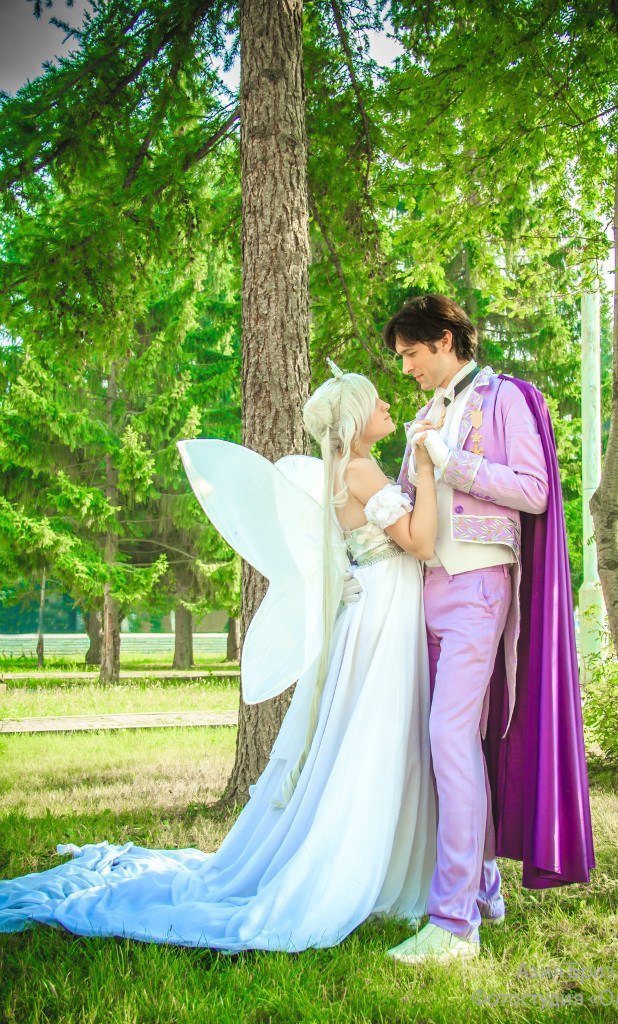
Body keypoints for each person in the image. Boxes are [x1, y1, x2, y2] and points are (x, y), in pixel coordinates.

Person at [0, 367, 440, 953]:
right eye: (377, 402)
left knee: (364, 731)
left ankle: (378, 864)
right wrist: (427, 469)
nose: (388, 406)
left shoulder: (338, 471)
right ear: (357, 418)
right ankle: (370, 868)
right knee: (378, 731)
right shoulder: (359, 470)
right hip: (384, 606)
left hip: (373, 606)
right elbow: (420, 542)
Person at [381, 294, 595, 964]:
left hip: (478, 587)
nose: (407, 368)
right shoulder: (425, 413)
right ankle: (480, 891)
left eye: (411, 354)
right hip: (424, 591)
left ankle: (453, 924)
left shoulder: (507, 399)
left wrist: (451, 461)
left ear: (445, 340)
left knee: (450, 737)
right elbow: (411, 501)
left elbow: (535, 490)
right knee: (446, 743)